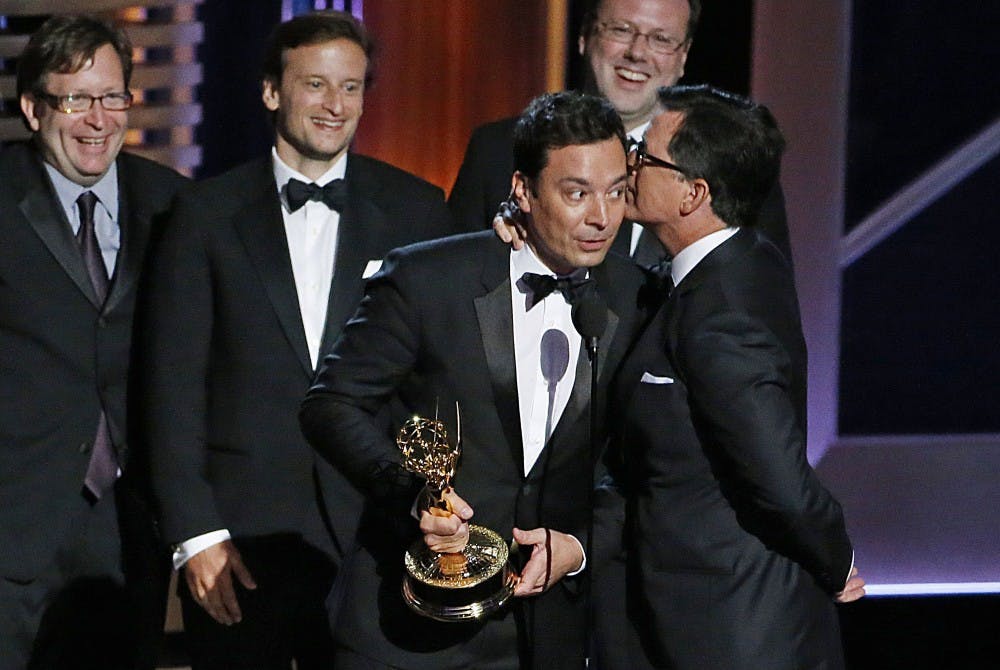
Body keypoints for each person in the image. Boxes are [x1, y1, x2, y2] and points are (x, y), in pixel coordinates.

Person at [136, 11, 454, 669]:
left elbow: (440, 380)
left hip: (378, 531)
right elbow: (169, 387)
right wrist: (195, 535)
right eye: (316, 85)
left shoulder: (418, 210)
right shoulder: (203, 215)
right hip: (240, 539)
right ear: (272, 92)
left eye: (352, 87)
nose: (336, 106)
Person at [300, 91, 655, 669]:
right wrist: (413, 497)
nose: (602, 216)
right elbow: (331, 405)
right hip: (406, 629)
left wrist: (581, 546)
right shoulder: (425, 278)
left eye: (616, 192)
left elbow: (642, 460)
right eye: (577, 193)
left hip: (547, 638)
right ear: (522, 190)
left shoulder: (638, 297)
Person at [603, 84, 864, 669]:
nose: (630, 164)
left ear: (694, 194)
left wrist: (836, 557)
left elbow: (777, 476)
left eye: (644, 155)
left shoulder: (725, 309)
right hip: (692, 617)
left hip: (734, 631)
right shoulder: (731, 263)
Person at [0, 15, 187, 670]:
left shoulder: (175, 206)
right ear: (32, 107)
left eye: (112, 97)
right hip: (14, 521)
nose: (98, 119)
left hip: (130, 527)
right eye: (76, 99)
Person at [449, 0, 792, 265]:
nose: (637, 53)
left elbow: (769, 319)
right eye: (621, 30)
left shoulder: (735, 171)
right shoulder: (496, 152)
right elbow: (447, 298)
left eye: (660, 39)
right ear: (584, 36)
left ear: (683, 56)